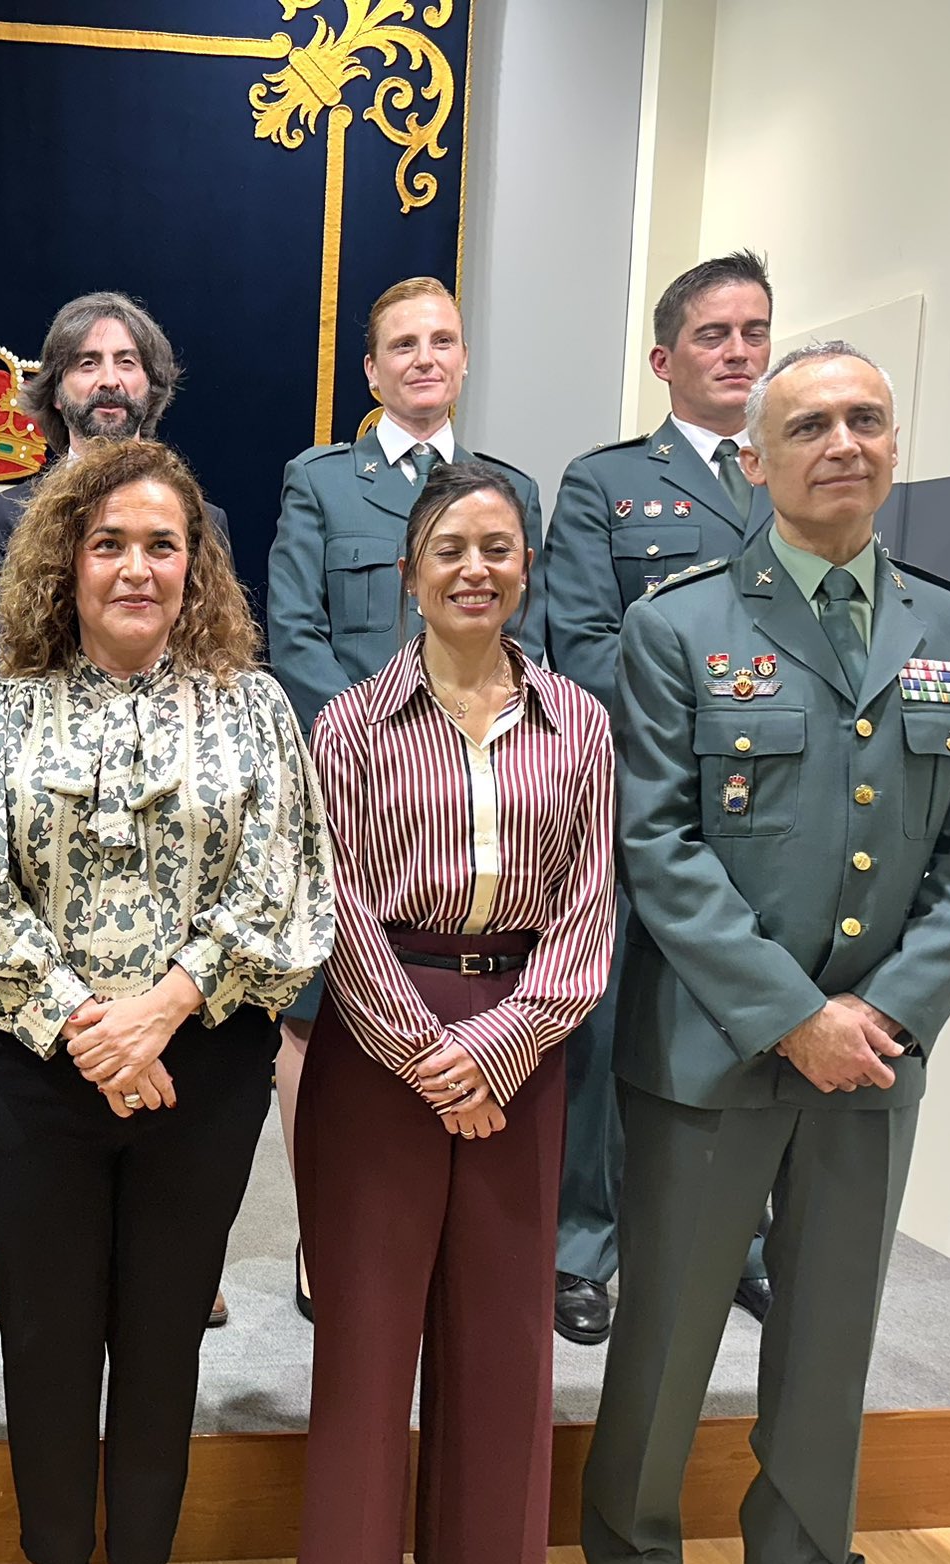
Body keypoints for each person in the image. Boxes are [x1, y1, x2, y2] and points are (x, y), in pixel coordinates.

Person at [580, 341, 950, 1564]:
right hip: (714, 1051)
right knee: (665, 1332)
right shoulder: (679, 625)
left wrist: (878, 1012)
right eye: (810, 422)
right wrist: (788, 1014)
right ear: (754, 462)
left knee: (834, 1328)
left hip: (873, 1056)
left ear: (895, 448)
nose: (845, 440)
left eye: (868, 419)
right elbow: (656, 843)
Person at [0, 439, 331, 1564]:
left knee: (163, 1324)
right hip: (33, 1075)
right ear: (64, 558)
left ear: (194, 565)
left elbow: (290, 885)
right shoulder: (3, 708)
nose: (136, 566)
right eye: (109, 542)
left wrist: (160, 1010)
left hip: (197, 1069)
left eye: (162, 544)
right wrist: (82, 1028)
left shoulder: (254, 705)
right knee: (48, 1330)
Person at [297, 461, 614, 1564]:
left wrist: (499, 1046)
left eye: (496, 545)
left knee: (496, 1325)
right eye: (448, 548)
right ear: (408, 574)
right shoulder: (349, 724)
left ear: (523, 565)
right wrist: (428, 1050)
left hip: (520, 1039)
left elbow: (588, 913)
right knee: (371, 1324)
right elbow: (330, 901)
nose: (473, 567)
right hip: (382, 1044)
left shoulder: (577, 722)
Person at [266, 276, 547, 1321]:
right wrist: (386, 745)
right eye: (402, 344)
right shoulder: (320, 482)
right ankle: (318, 1227)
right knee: (318, 1017)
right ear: (372, 369)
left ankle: (444, 1222)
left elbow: (535, 636)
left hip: (488, 790)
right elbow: (292, 630)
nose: (424, 357)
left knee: (472, 1006)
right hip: (353, 786)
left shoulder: (504, 486)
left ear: (462, 359)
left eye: (442, 340)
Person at [0, 289, 232, 1332]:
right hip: (45, 797)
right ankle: (7, 1235)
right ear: (55, 385)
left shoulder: (199, 513)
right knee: (23, 1071)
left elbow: (206, 655)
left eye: (125, 361)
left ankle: (178, 1236)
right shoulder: (3, 514)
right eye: (85, 361)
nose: (107, 377)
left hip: (168, 805)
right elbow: (11, 660)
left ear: (148, 384)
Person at [544, 249, 777, 1345]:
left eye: (752, 333)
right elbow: (580, 644)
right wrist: (716, 727)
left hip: (774, 809)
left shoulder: (792, 469)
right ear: (662, 357)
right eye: (712, 335)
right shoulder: (605, 483)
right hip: (648, 796)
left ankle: (743, 1239)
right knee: (608, 1022)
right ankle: (583, 1243)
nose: (736, 353)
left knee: (759, 1016)